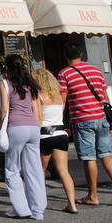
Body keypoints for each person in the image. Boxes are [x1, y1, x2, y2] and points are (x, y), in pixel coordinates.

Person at [58, 41, 112, 205]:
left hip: (82, 120)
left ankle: (93, 196)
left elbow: (62, 100)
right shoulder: (95, 70)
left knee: (89, 158)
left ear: (66, 57)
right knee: (106, 154)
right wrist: (109, 119)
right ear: (81, 55)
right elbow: (105, 96)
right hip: (101, 117)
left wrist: (57, 121)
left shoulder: (64, 74)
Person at [0, 54, 47, 220]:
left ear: (7, 67)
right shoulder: (31, 84)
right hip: (33, 128)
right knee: (34, 170)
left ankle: (21, 209)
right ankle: (37, 211)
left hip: (16, 127)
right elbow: (36, 110)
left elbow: (5, 109)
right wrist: (37, 128)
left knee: (12, 169)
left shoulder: (5, 83)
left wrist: (0, 128)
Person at [33, 65, 77, 214]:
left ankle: (39, 203)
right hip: (61, 135)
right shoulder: (58, 97)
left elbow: (37, 118)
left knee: (40, 171)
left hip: (45, 135)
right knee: (64, 171)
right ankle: (72, 204)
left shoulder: (38, 96)